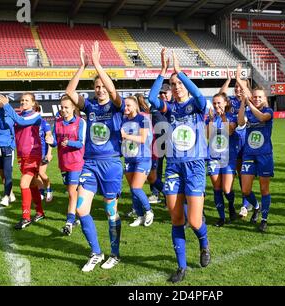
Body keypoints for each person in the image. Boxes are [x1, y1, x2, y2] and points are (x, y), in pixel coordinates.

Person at [148, 48, 210, 283]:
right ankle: (181, 267)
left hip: (194, 166)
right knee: (176, 219)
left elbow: (200, 96)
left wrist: (179, 72)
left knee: (194, 221)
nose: (176, 87)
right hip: (174, 167)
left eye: (179, 83)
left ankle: (204, 242)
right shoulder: (170, 109)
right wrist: (163, 73)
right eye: (173, 84)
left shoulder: (196, 106)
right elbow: (153, 99)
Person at [66, 42, 123, 271]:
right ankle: (96, 252)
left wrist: (99, 65)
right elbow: (70, 93)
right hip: (89, 164)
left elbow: (113, 92)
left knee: (111, 212)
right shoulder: (89, 106)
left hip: (111, 164)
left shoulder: (116, 106)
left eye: (102, 86)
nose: (100, 89)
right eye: (96, 86)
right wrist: (82, 66)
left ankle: (115, 253)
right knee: (81, 209)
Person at [0, 93, 47, 230]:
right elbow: (5, 123)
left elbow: (21, 122)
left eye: (27, 100)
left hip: (33, 154)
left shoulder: (35, 115)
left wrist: (7, 105)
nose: (23, 102)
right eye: (22, 100)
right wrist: (1, 107)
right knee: (31, 185)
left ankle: (26, 218)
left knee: (23, 183)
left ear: (33, 103)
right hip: (22, 156)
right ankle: (40, 212)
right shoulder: (19, 115)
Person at [237, 84, 274, 232]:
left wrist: (250, 104)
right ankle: (256, 207)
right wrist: (243, 103)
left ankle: (264, 219)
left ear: (265, 99)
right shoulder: (248, 111)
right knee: (245, 190)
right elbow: (240, 122)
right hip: (249, 154)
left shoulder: (268, 111)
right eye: (255, 96)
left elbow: (262, 117)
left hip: (264, 155)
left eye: (260, 97)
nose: (257, 98)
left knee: (264, 189)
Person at [50, 95, 86, 235]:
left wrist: (69, 143)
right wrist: (49, 140)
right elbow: (54, 142)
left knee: (71, 193)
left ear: (73, 108)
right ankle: (77, 216)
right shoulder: (57, 122)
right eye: (62, 107)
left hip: (77, 162)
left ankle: (69, 222)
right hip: (63, 163)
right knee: (73, 192)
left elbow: (81, 143)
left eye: (66, 107)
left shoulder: (80, 122)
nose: (63, 110)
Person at [219, 67, 248, 219]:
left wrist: (239, 79)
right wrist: (229, 80)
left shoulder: (248, 101)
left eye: (240, 87)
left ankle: (245, 205)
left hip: (246, 142)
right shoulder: (230, 103)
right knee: (237, 172)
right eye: (235, 87)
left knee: (244, 174)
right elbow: (221, 95)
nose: (237, 89)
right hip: (233, 141)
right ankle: (239, 204)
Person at [206, 93, 238, 227]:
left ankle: (231, 205)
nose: (216, 106)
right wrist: (212, 120)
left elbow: (230, 131)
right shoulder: (211, 119)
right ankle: (221, 217)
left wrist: (223, 116)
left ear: (225, 103)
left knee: (227, 189)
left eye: (219, 103)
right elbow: (207, 136)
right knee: (217, 187)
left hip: (228, 157)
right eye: (214, 103)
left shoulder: (232, 116)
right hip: (213, 156)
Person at [121, 95, 154, 227]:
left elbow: (142, 139)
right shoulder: (123, 119)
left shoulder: (142, 119)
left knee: (136, 187)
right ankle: (140, 216)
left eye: (129, 105)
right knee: (133, 189)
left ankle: (149, 211)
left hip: (143, 158)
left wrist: (125, 136)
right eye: (125, 105)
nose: (126, 108)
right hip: (129, 158)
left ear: (135, 106)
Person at [147, 83, 171, 205]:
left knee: (172, 168)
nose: (162, 95)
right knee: (156, 168)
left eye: (165, 92)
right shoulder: (153, 106)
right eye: (160, 92)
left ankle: (171, 193)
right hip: (157, 141)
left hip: (171, 141)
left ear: (170, 93)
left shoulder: (173, 106)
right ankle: (155, 193)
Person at [35, 104, 53, 203]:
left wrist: (49, 153)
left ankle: (49, 189)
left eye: (36, 110)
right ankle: (41, 192)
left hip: (43, 153)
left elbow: (49, 137)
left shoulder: (44, 123)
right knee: (36, 174)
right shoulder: (29, 124)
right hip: (33, 153)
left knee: (42, 173)